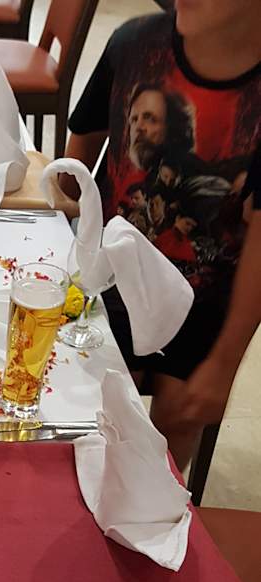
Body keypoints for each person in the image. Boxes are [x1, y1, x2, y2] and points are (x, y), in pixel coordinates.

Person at [61, 0, 261, 469]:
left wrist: (224, 364)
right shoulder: (133, 44)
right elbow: (73, 173)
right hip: (108, 284)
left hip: (203, 299)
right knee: (92, 418)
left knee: (172, 430)